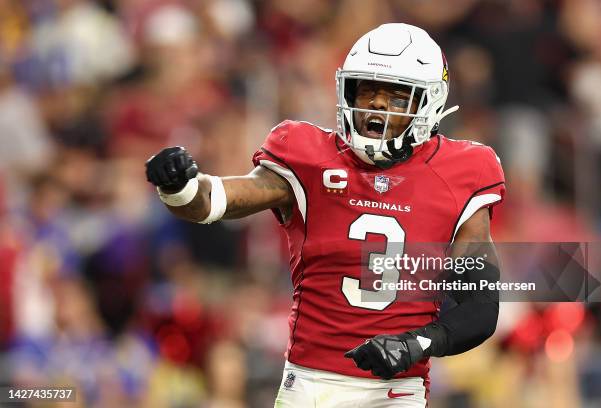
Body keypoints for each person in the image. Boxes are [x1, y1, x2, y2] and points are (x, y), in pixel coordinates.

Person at [145, 23, 505, 408]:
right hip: (310, 385)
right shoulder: (306, 154)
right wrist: (180, 185)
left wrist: (414, 343)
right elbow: (213, 202)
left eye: (396, 97)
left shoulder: (464, 170)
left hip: (395, 391)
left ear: (429, 103)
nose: (376, 106)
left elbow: (480, 308)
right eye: (367, 91)